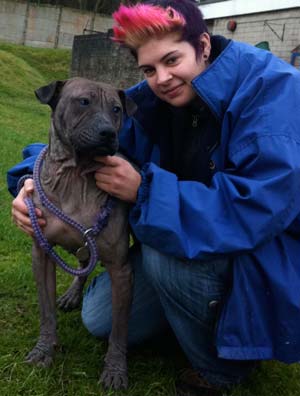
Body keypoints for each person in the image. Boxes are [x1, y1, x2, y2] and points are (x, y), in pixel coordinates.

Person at [8, 0, 300, 395]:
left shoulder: (272, 89)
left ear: (203, 44)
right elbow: (79, 138)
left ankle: (222, 369)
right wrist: (29, 183)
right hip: (196, 238)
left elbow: (258, 208)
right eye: (148, 69)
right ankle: (189, 315)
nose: (161, 78)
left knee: (164, 254)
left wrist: (144, 190)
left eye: (172, 59)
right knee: (98, 319)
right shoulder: (155, 97)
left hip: (263, 255)